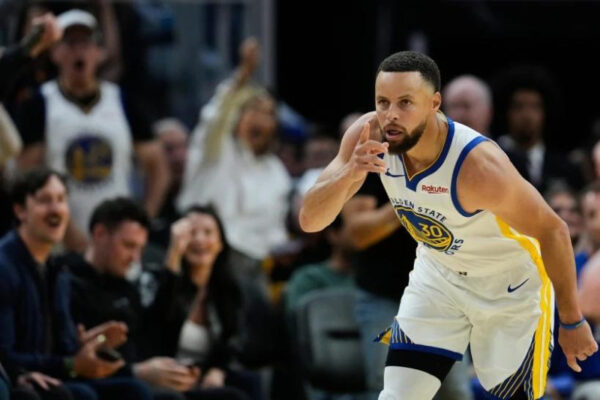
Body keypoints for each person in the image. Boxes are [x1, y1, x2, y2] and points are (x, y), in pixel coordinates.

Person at [299, 51, 597, 400]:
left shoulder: (478, 165)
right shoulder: (368, 135)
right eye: (383, 102)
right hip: (439, 277)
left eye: (405, 102)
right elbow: (310, 220)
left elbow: (553, 229)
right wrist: (350, 172)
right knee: (398, 395)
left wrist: (572, 320)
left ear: (434, 104)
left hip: (508, 285)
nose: (391, 115)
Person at [15, 9, 169, 252]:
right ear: (55, 53)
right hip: (59, 243)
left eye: (86, 44)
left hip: (117, 244)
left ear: (99, 52)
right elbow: (26, 175)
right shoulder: (39, 104)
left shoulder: (124, 102)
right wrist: (67, 231)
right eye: (70, 44)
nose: (79, 51)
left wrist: (141, 222)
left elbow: (159, 168)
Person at [64, 197, 247, 400]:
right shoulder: (69, 278)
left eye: (140, 249)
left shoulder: (125, 286)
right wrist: (137, 370)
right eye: (128, 246)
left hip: (147, 376)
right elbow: (73, 358)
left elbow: (232, 342)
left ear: (221, 243)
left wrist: (206, 371)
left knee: (238, 390)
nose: (136, 258)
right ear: (99, 234)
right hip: (114, 380)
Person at [0, 168, 153, 400]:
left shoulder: (58, 270)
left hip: (52, 374)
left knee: (134, 391)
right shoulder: (4, 266)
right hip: (18, 378)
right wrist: (71, 364)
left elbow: (63, 348)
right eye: (45, 200)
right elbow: (5, 354)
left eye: (61, 199)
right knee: (80, 395)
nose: (56, 209)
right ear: (20, 210)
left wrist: (91, 341)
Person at [147, 205, 258, 400]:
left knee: (249, 381)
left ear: (220, 243)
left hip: (204, 377)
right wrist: (174, 255)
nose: (199, 240)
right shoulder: (158, 281)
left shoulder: (228, 290)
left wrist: (218, 370)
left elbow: (233, 341)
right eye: (191, 233)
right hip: (167, 375)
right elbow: (159, 322)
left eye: (207, 232)